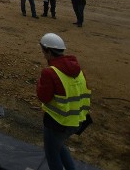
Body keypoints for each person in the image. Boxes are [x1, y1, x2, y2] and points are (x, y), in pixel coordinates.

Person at [36, 33, 91, 170]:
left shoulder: (50, 72)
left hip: (57, 122)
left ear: (48, 51)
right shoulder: (78, 70)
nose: (43, 54)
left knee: (52, 156)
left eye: (43, 51)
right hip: (77, 120)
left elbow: (43, 97)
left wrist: (39, 83)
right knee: (59, 146)